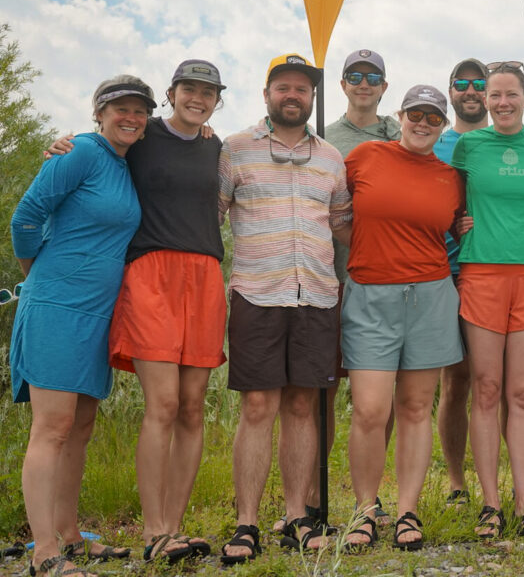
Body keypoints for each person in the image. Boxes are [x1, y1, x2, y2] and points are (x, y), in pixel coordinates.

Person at [45, 61, 228, 562]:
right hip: (151, 274)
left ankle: (174, 525)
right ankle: (153, 531)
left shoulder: (217, 146)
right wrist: (63, 146)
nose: (198, 98)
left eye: (208, 91)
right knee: (163, 404)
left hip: (206, 276)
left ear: (217, 99)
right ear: (171, 93)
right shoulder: (143, 135)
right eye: (189, 89)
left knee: (192, 407)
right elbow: (104, 137)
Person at [10, 75, 154, 577]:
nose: (130, 117)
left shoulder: (125, 163)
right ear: (99, 112)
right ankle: (43, 552)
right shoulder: (81, 153)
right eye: (120, 108)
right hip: (55, 307)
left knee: (80, 427)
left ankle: (70, 536)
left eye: (140, 110)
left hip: (99, 314)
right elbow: (25, 218)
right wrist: (41, 277)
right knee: (51, 428)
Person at [218, 54, 350, 564]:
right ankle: (246, 523)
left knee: (302, 407)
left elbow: (342, 223)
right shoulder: (234, 150)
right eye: (283, 88)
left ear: (313, 97)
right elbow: (210, 214)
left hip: (317, 294)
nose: (292, 95)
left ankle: (297, 516)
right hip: (257, 292)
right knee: (258, 408)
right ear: (267, 93)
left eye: (302, 89)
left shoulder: (331, 157)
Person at [336, 85, 465, 550]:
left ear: (442, 124)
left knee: (414, 409)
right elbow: (334, 206)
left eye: (433, 117)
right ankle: (365, 511)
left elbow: (459, 226)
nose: (423, 123)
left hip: (431, 297)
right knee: (371, 410)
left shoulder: (450, 176)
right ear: (401, 114)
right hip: (370, 295)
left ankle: (408, 511)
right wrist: (364, 245)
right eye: (416, 113)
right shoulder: (366, 156)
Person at [450, 61, 524, 544]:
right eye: (493, 94)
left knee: (522, 394)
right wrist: (458, 219)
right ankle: (490, 503)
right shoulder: (469, 146)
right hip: (481, 275)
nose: (501, 102)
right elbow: (448, 197)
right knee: (486, 389)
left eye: (509, 94)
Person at [311, 48, 401, 525]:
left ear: (384, 86)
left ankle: (372, 494)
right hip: (329, 276)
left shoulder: (399, 134)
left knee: (377, 398)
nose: (364, 83)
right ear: (342, 85)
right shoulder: (323, 138)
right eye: (354, 76)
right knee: (321, 390)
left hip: (382, 279)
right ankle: (313, 494)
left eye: (373, 76)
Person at [433, 58, 490, 506]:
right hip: (444, 272)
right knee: (456, 380)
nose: (470, 91)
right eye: (462, 84)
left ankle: (508, 477)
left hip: (495, 270)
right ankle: (456, 481)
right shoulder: (434, 141)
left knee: (501, 382)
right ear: (450, 91)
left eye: (479, 84)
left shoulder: (511, 141)